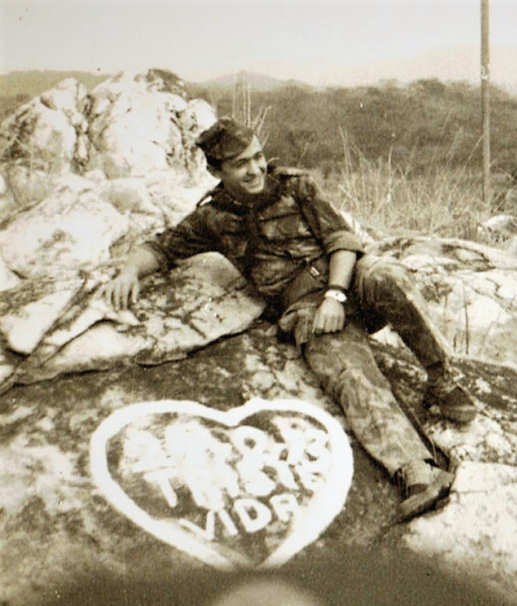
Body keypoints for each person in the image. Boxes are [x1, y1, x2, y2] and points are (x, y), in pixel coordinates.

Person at [100, 117, 476, 521]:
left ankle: (442, 379)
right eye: (240, 164)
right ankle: (417, 471)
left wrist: (335, 294)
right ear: (215, 171)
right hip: (306, 309)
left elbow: (342, 241)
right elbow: (160, 248)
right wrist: (128, 272)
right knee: (348, 374)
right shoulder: (212, 218)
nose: (255, 170)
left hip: (349, 280)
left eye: (258, 157)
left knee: (388, 275)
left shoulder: (295, 186)